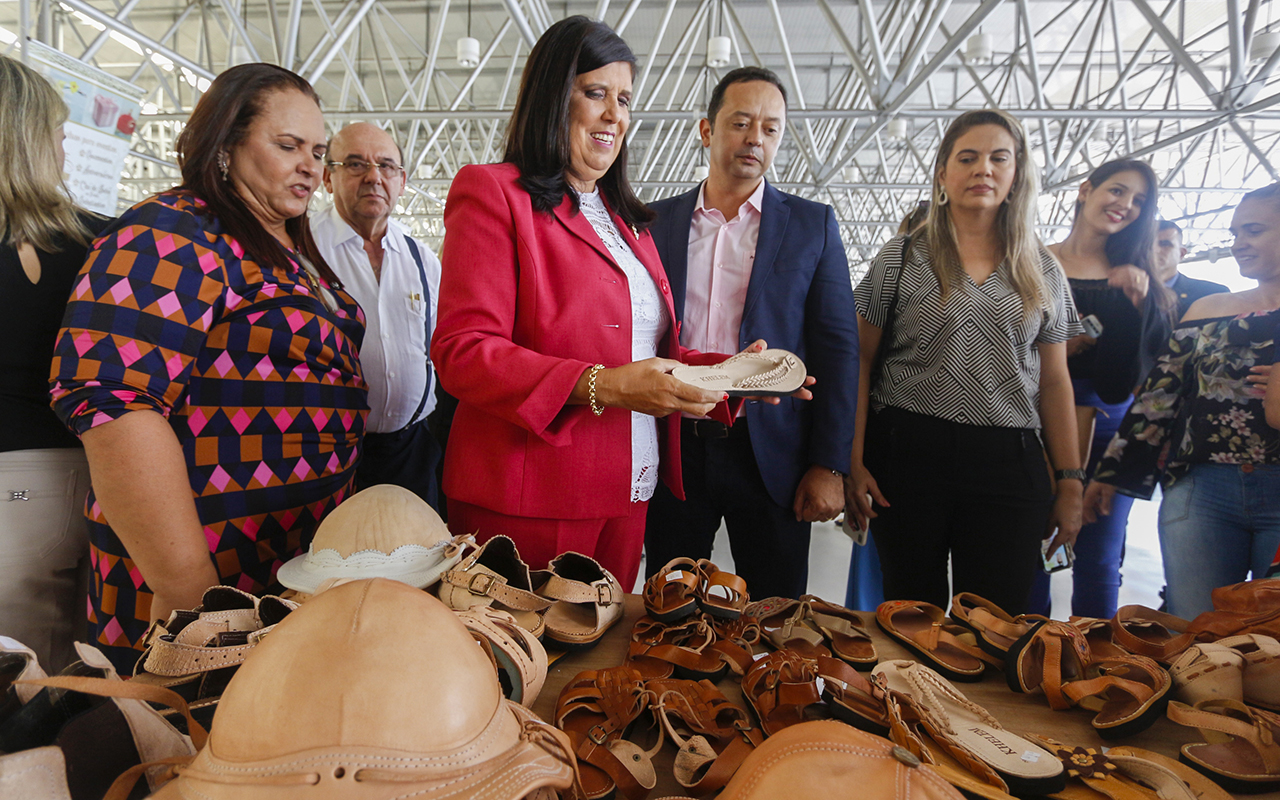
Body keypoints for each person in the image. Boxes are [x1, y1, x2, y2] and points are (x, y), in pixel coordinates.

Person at [431, 17, 802, 590]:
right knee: (527, 665)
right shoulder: (494, 193)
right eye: (595, 94)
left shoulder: (626, 221)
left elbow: (644, 351)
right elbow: (464, 351)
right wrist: (606, 386)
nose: (615, 115)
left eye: (625, 99)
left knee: (600, 667)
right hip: (530, 492)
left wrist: (730, 375)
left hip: (630, 487)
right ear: (555, 97)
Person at [50, 63, 367, 672]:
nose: (310, 164)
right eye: (287, 145)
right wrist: (190, 597)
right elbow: (116, 404)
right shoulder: (173, 231)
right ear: (225, 146)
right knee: (177, 747)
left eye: (318, 151)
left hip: (279, 567)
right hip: (202, 581)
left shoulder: (285, 248)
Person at [845, 109, 1084, 615]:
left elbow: (1056, 383)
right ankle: (909, 698)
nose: (984, 170)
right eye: (968, 158)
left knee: (996, 621)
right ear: (942, 173)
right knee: (911, 615)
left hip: (1008, 460)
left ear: (1017, 174)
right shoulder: (901, 257)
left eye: (1000, 158)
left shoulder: (1042, 269)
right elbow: (859, 362)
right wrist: (854, 460)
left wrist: (1070, 480)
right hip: (908, 453)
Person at [641, 67, 859, 600]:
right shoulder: (652, 222)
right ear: (706, 130)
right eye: (740, 123)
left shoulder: (812, 225)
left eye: (770, 128)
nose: (755, 138)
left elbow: (838, 348)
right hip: (674, 444)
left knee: (777, 610)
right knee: (667, 603)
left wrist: (830, 465)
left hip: (772, 451)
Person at [1087, 184, 1280, 619]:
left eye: (1253, 231)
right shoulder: (1208, 309)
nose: (1238, 244)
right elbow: (1159, 398)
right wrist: (1111, 475)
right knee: (1194, 633)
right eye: (1234, 233)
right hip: (1202, 491)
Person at [1027, 159, 1173, 619]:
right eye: (1117, 190)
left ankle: (1097, 663)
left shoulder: (1137, 279)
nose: (1125, 205)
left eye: (1138, 201)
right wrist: (1054, 350)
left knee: (1101, 556)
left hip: (1108, 426)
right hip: (1032, 421)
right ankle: (1023, 648)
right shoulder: (1032, 261)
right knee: (1028, 547)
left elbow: (1126, 379)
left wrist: (1135, 307)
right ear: (1085, 190)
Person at [0, 55, 108, 671]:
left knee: (19, 689)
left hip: (11, 486)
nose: (66, 148)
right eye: (61, 133)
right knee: (85, 673)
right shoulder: (101, 239)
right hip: (101, 473)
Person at [314, 122, 442, 509]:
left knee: (419, 561)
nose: (374, 177)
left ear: (401, 182)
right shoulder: (303, 249)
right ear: (328, 178)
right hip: (327, 454)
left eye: (387, 166)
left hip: (413, 450)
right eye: (355, 164)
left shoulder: (423, 259)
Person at [1155, 220, 1228, 320]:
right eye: (1147, 244)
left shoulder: (1213, 295)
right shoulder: (1128, 294)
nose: (1155, 250)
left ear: (1181, 253)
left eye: (1164, 244)